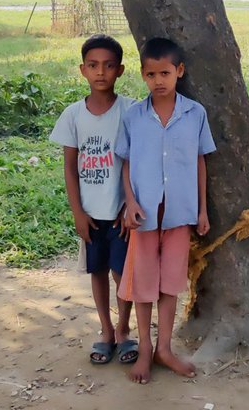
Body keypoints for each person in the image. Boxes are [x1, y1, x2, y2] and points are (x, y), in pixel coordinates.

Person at [115, 37, 216, 384]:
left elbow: (200, 161)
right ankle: (144, 349)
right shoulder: (133, 116)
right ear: (142, 75)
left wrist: (202, 210)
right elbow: (125, 163)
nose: (158, 80)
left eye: (165, 73)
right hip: (143, 218)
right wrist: (129, 201)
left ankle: (164, 349)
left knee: (169, 286)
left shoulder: (194, 114)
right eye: (150, 74)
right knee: (143, 287)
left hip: (179, 215)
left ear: (179, 72)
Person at [50, 34, 139, 365]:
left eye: (108, 65)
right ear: (82, 70)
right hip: (90, 214)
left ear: (120, 70)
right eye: (93, 65)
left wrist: (130, 204)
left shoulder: (131, 111)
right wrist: (77, 212)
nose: (100, 72)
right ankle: (105, 331)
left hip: (121, 213)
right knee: (97, 271)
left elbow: (136, 162)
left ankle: (124, 330)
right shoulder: (73, 116)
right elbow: (70, 170)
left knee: (123, 274)